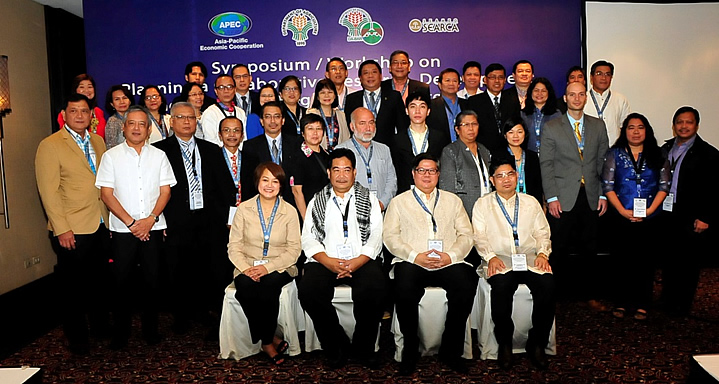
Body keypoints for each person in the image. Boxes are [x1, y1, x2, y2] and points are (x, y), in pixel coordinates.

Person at [383, 153, 478, 374]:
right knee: (404, 285)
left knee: (466, 283)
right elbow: (390, 237)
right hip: (412, 260)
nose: (427, 175)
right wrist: (415, 255)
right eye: (422, 170)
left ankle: (451, 349)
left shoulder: (452, 201)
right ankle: (410, 348)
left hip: (447, 260)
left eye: (432, 170)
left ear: (438, 174)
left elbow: (466, 235)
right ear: (413, 173)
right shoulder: (399, 202)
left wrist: (451, 256)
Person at [95, 105, 176, 349]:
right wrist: (131, 223)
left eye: (142, 124)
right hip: (123, 231)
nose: (137, 128)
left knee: (152, 282)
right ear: (124, 127)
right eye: (132, 123)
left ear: (149, 129)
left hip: (152, 227)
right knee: (122, 284)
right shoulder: (111, 156)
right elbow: (106, 194)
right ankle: (121, 333)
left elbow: (166, 191)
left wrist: (150, 219)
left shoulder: (159, 156)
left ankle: (150, 331)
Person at [35, 94, 110, 355]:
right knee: (73, 289)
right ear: (64, 115)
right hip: (72, 228)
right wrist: (61, 227)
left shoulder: (98, 141)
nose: (80, 115)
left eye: (84, 111)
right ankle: (77, 338)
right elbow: (48, 191)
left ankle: (101, 329)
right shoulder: (50, 145)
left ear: (92, 115)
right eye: (73, 111)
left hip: (100, 224)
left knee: (99, 283)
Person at [153, 102, 237, 336]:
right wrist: (162, 220)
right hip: (176, 221)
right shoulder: (160, 151)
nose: (187, 121)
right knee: (178, 269)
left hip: (209, 221)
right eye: (181, 117)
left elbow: (226, 188)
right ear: (172, 121)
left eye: (191, 117)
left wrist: (222, 218)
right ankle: (181, 316)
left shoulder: (211, 149)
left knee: (208, 268)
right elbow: (155, 190)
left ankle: (206, 312)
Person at [298, 148, 386, 369]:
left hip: (361, 259)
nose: (341, 175)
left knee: (375, 287)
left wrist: (358, 261)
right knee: (309, 291)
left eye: (347, 170)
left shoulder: (370, 198)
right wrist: (328, 261)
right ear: (328, 172)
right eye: (336, 170)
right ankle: (335, 344)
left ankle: (363, 347)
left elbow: (377, 235)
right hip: (326, 260)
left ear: (355, 172)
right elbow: (308, 238)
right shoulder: (317, 200)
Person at [472, 158, 555, 370]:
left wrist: (543, 254)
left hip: (529, 258)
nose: (505, 180)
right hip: (500, 258)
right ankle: (505, 344)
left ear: (517, 176)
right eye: (499, 176)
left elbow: (542, 232)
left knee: (547, 284)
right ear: (492, 180)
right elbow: (479, 236)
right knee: (501, 286)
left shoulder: (530, 202)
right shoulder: (483, 204)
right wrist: (490, 256)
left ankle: (537, 343)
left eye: (509, 174)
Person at [539, 81, 609, 310]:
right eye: (572, 94)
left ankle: (591, 295)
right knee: (557, 248)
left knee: (590, 248)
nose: (577, 98)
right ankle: (553, 296)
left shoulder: (598, 126)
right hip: (562, 196)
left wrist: (602, 194)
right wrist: (551, 198)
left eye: (581, 94)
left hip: (590, 195)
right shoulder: (552, 127)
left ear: (585, 98)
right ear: (565, 98)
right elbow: (546, 164)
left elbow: (602, 163)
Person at [228, 162, 301, 365]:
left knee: (268, 286)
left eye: (275, 181)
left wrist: (266, 268)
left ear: (281, 185)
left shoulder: (290, 211)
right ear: (257, 182)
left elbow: (294, 250)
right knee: (244, 286)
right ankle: (271, 338)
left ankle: (266, 342)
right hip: (247, 264)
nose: (270, 185)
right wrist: (246, 268)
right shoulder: (243, 209)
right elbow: (233, 246)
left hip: (280, 265)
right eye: (265, 180)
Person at [601, 113, 670, 320]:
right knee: (622, 261)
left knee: (645, 262)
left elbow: (664, 185)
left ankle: (643, 304)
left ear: (646, 130)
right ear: (625, 131)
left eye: (640, 127)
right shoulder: (615, 153)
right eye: (631, 127)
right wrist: (622, 211)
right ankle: (621, 302)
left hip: (650, 218)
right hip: (620, 216)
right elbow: (608, 185)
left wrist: (649, 211)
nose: (636, 131)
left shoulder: (659, 154)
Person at [659, 106, 719, 316]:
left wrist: (706, 217)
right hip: (667, 213)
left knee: (688, 262)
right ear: (674, 126)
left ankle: (682, 305)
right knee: (669, 259)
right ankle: (667, 300)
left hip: (692, 215)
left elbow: (715, 190)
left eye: (689, 122)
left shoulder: (709, 154)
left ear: (696, 125)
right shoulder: (665, 149)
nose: (684, 126)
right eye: (680, 122)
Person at [336, 107, 397, 212]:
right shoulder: (341, 150)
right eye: (362, 123)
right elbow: (338, 183)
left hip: (380, 211)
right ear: (352, 126)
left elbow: (391, 180)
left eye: (371, 123)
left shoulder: (384, 149)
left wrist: (382, 204)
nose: (368, 128)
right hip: (352, 211)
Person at [240, 101, 298, 205]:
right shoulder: (250, 146)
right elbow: (248, 182)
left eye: (276, 116)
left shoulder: (296, 144)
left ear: (283, 120)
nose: (272, 121)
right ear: (261, 121)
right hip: (262, 203)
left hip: (291, 203)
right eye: (268, 117)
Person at [438, 110, 492, 217]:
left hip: (488, 207)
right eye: (466, 125)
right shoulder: (451, 151)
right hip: (464, 210)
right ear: (457, 129)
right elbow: (447, 188)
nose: (471, 128)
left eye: (474, 124)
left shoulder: (484, 150)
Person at [392, 92, 449, 193]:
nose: (417, 111)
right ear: (406, 111)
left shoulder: (440, 138)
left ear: (428, 111)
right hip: (405, 193)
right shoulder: (397, 140)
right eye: (413, 107)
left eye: (422, 107)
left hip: (433, 191)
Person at [345, 60, 408, 147]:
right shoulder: (351, 99)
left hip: (388, 149)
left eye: (374, 72)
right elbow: (349, 126)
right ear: (360, 78)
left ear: (381, 76)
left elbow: (402, 127)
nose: (370, 76)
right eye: (366, 73)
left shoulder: (394, 97)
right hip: (359, 148)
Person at [467, 63, 521, 151]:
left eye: (500, 77)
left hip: (509, 149)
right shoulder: (474, 101)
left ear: (504, 80)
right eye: (492, 77)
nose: (497, 81)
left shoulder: (512, 100)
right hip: (484, 150)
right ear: (485, 80)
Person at [289, 114, 330, 221]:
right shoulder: (297, 157)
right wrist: (307, 219)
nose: (315, 133)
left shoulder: (327, 156)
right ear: (302, 133)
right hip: (308, 214)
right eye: (310, 128)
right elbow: (297, 191)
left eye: (318, 128)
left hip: (327, 212)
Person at [494, 117, 543, 204]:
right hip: (506, 202)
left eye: (519, 132)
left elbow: (537, 185)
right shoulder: (499, 157)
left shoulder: (532, 156)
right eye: (511, 132)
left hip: (530, 202)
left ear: (525, 134)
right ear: (505, 135)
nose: (515, 136)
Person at [584, 60, 631, 146]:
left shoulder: (621, 99)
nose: (603, 78)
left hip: (613, 150)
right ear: (591, 77)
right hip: (588, 150)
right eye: (599, 74)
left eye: (607, 74)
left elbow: (624, 127)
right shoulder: (582, 98)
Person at [200, 75, 247, 146]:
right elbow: (211, 142)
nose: (226, 91)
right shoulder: (210, 113)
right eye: (221, 87)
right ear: (216, 91)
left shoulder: (240, 112)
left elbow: (243, 138)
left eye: (229, 87)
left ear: (235, 90)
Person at [307, 79, 350, 152]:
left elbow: (346, 139)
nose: (326, 96)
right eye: (322, 92)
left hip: (338, 157)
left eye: (330, 92)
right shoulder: (311, 114)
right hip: (318, 156)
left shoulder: (341, 115)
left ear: (335, 95)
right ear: (317, 96)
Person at [57, 74, 106, 138]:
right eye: (82, 87)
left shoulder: (98, 112)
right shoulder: (65, 113)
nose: (86, 90)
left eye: (90, 87)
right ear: (75, 90)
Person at [426, 68, 466, 145]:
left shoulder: (467, 104)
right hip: (441, 151)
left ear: (458, 85)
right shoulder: (431, 106)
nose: (451, 84)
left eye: (454, 81)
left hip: (465, 151)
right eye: (447, 80)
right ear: (440, 85)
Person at [521, 77, 562, 153]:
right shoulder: (523, 115)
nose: (539, 94)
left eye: (543, 91)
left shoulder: (556, 114)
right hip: (529, 156)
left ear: (548, 93)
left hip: (551, 156)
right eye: (536, 90)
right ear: (531, 92)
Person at [219, 116, 244, 208]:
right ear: (220, 135)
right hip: (220, 214)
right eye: (227, 130)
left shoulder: (251, 160)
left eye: (236, 130)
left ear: (242, 135)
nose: (232, 135)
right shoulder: (212, 159)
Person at [104, 85, 134, 149]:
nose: (122, 102)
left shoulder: (135, 118)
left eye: (124, 98)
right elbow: (111, 147)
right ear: (112, 104)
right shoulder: (112, 121)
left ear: (130, 101)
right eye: (117, 99)